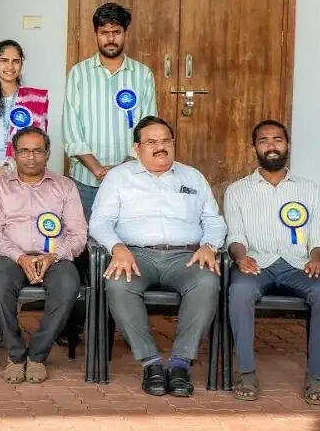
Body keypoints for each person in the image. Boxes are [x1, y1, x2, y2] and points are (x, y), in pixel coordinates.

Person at [90, 116, 222, 398]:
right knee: (118, 284)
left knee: (207, 281)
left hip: (186, 257)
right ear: (137, 148)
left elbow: (213, 220)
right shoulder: (119, 177)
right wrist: (117, 247)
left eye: (165, 141)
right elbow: (100, 222)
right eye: (152, 142)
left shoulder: (192, 176)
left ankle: (179, 364)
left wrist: (209, 245)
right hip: (136, 256)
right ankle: (150, 362)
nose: (160, 147)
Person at [222, 120, 320, 404]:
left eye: (277, 140)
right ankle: (247, 374)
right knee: (239, 292)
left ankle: (316, 379)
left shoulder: (309, 189)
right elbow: (235, 236)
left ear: (288, 146)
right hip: (257, 265)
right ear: (254, 148)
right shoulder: (237, 191)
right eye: (263, 140)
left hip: (300, 265)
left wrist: (316, 259)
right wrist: (241, 257)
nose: (271, 145)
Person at [0, 127, 86, 384]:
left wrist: (54, 256)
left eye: (38, 150)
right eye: (24, 151)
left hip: (54, 258)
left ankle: (37, 355)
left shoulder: (65, 186)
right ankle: (16, 355)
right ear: (14, 154)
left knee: (68, 286)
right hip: (11, 256)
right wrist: (20, 257)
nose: (31, 157)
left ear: (47, 154)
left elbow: (79, 234)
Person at [62, 2, 159, 219]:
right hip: (86, 179)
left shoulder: (143, 75)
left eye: (116, 32)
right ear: (96, 34)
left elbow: (150, 128)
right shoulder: (79, 74)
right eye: (104, 32)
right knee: (85, 245)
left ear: (126, 33)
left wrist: (122, 169)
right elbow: (71, 129)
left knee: (125, 244)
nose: (111, 38)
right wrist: (97, 169)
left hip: (131, 177)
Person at [0, 39, 50, 209]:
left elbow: (38, 143)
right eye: (4, 60)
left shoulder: (33, 99)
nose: (10, 67)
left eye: (16, 61)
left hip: (21, 171)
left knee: (18, 222)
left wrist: (8, 169)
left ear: (22, 64)